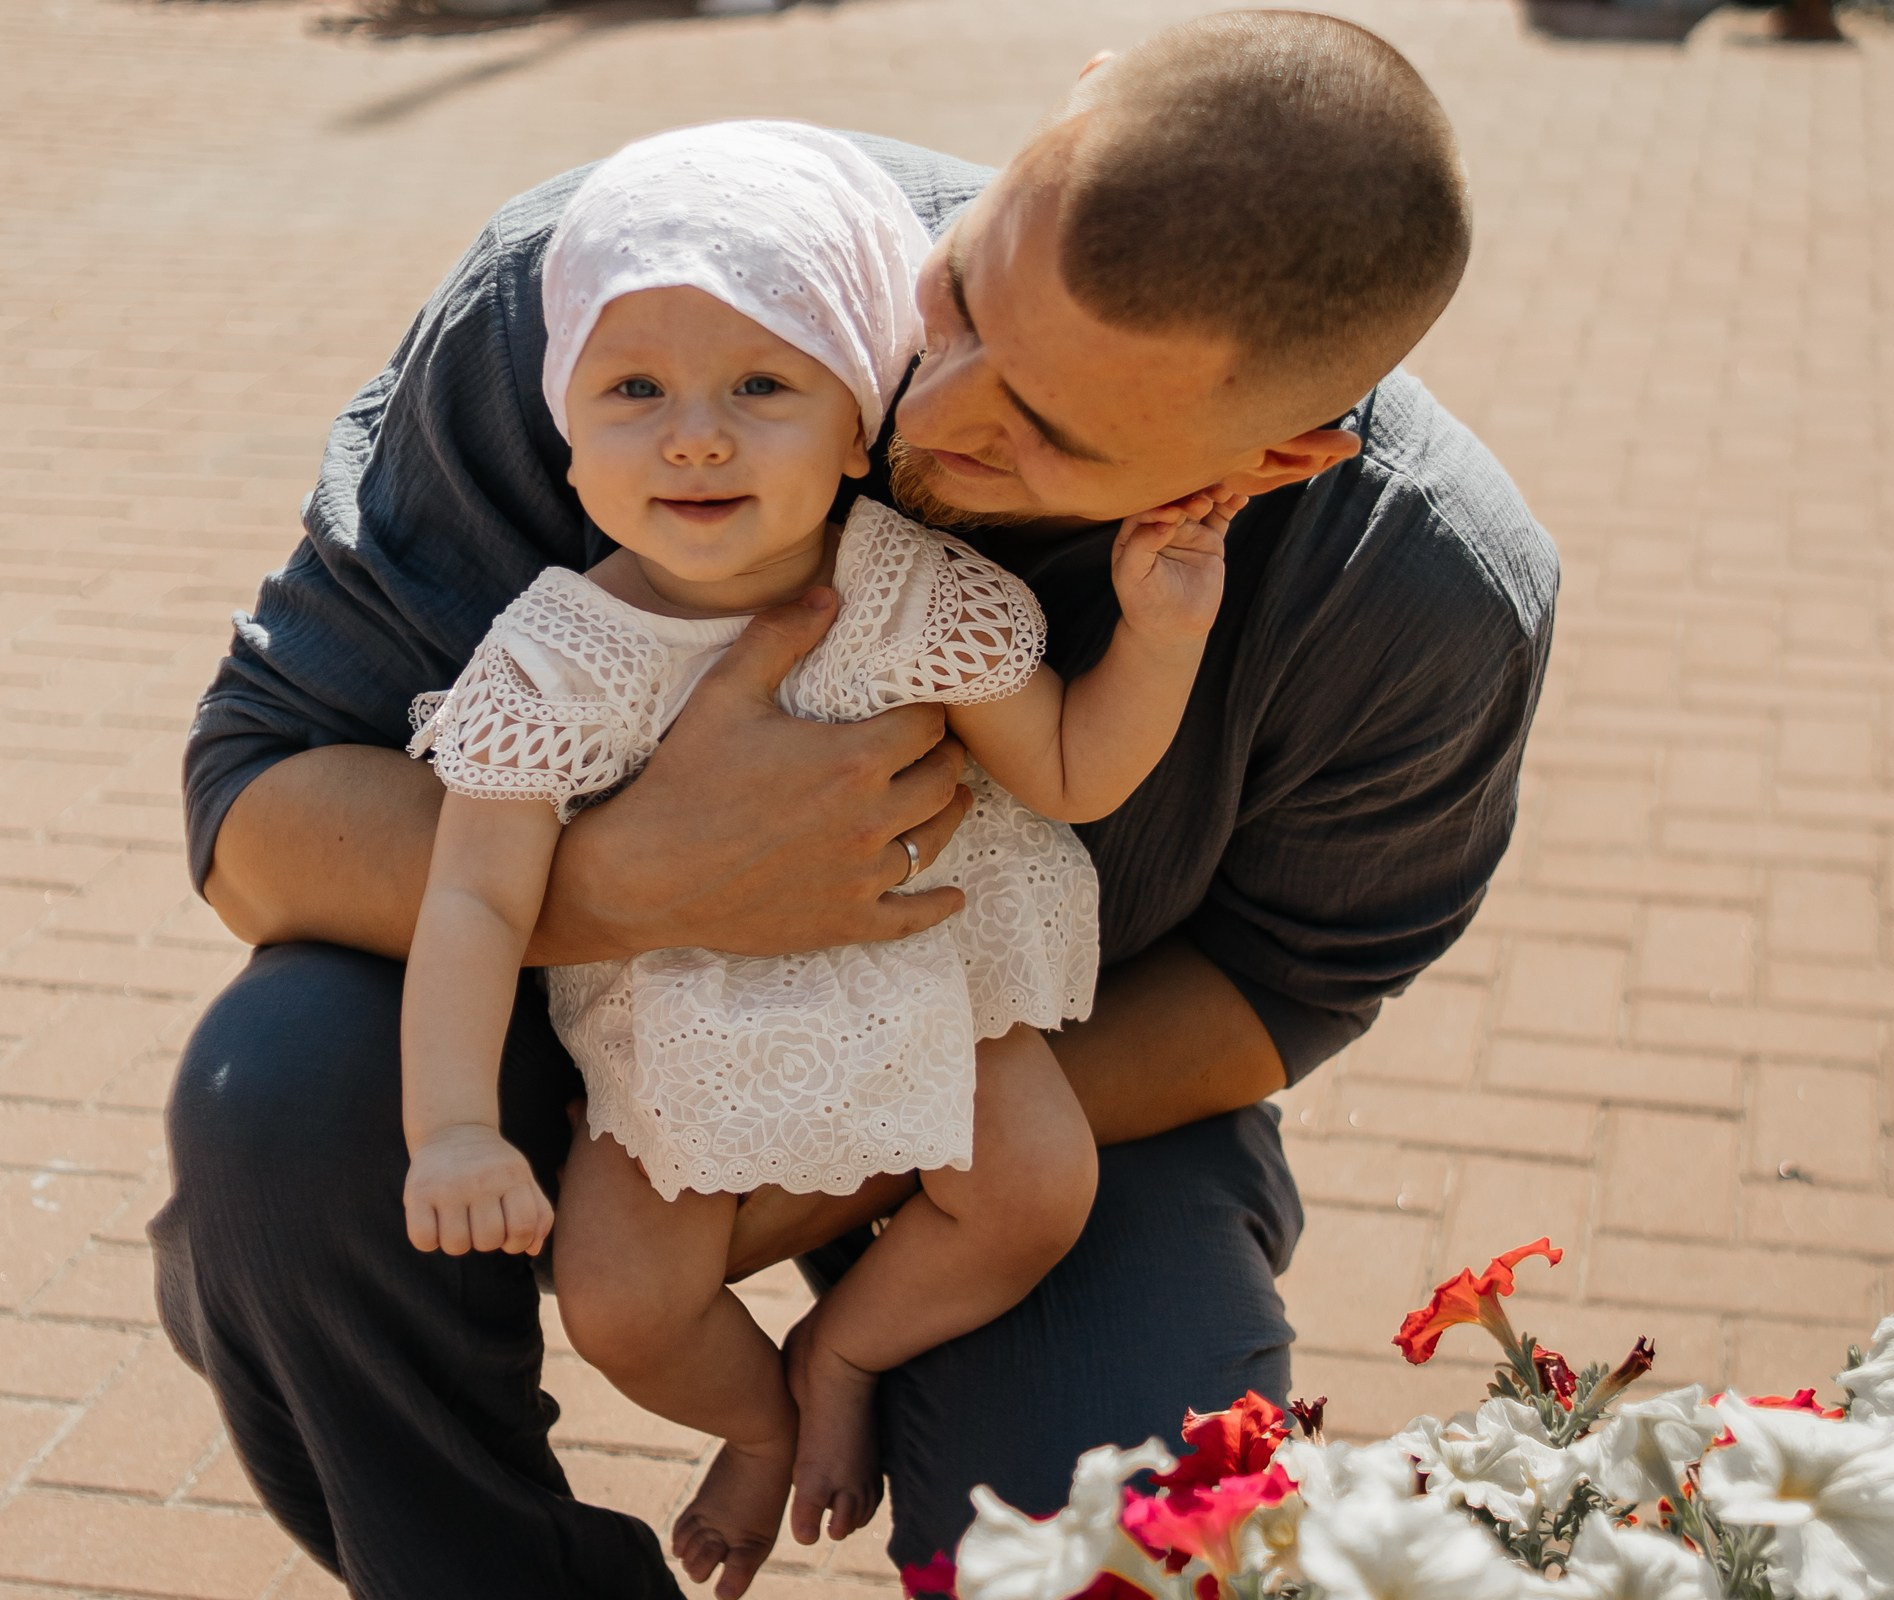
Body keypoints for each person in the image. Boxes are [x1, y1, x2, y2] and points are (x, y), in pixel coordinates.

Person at [155, 11, 1557, 1598]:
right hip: (599, 1032)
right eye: (960, 297)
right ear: (1074, 98)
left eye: (1047, 435)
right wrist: (636, 881)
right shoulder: (637, 297)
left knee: (1128, 1536)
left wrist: (868, 1104)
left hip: (1043, 1076)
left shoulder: (1429, 597)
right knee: (274, 1105)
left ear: (1283, 453)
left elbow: (1275, 992)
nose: (935, 406)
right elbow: (257, 806)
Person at [396, 121, 1243, 1599]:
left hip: (931, 977)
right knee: (617, 1302)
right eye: (635, 391)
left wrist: (1161, 636)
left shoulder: (912, 591)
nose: (698, 435)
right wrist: (456, 1129)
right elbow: (472, 897)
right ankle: (753, 1418)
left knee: (1040, 1187)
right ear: (568, 433)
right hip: (680, 1027)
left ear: (860, 428)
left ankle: (843, 1348)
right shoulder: (553, 659)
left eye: (764, 388)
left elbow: (1069, 771)